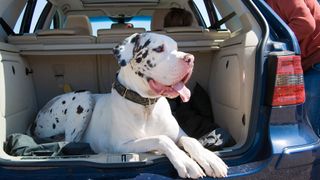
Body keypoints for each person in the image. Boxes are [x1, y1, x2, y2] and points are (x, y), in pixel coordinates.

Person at [266, 0, 320, 136]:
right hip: (307, 62)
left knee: (309, 126)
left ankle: (313, 156)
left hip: (317, 59)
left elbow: (306, 24)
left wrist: (274, 44)